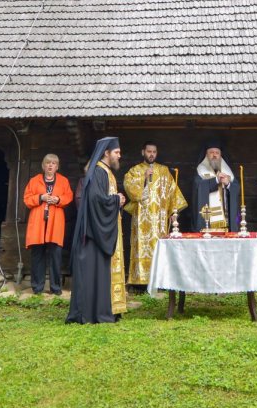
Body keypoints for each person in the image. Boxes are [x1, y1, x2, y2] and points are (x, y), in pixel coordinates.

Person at [67, 137, 127, 324]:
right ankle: (94, 313)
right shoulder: (98, 172)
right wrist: (116, 200)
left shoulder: (105, 171)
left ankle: (105, 310)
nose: (119, 155)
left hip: (101, 229)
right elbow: (95, 201)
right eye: (116, 152)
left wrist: (115, 200)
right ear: (106, 153)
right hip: (94, 234)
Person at [123, 141, 186, 287]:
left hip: (160, 219)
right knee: (141, 247)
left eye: (154, 152)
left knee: (160, 247)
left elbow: (173, 192)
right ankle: (140, 282)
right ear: (143, 152)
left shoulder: (164, 171)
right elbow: (130, 189)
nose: (151, 154)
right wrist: (143, 178)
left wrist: (174, 212)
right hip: (141, 219)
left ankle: (160, 280)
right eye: (149, 151)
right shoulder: (135, 171)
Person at [24, 154, 73, 294]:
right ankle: (37, 288)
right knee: (37, 256)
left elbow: (68, 196)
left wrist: (58, 199)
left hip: (55, 224)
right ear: (43, 165)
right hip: (38, 223)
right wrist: (40, 197)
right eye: (48, 163)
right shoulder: (34, 181)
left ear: (57, 167)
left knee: (55, 256)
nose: (50, 165)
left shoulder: (63, 181)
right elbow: (27, 199)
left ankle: (56, 288)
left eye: (53, 163)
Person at [189, 141, 240, 232]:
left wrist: (228, 184)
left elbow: (236, 188)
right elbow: (198, 187)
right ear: (206, 155)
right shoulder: (200, 171)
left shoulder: (227, 171)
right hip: (208, 221)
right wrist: (216, 180)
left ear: (220, 155)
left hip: (226, 220)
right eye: (211, 152)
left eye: (217, 153)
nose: (214, 155)